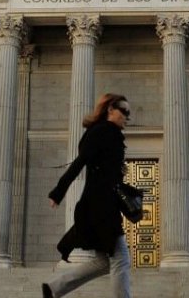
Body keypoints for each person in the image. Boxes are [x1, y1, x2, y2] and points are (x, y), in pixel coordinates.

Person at [43, 93, 132, 298]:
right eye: (124, 111)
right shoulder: (104, 131)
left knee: (103, 262)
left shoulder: (106, 133)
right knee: (121, 259)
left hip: (99, 204)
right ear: (110, 109)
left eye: (129, 113)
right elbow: (80, 162)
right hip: (100, 206)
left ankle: (54, 288)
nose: (127, 116)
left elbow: (100, 167)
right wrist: (58, 192)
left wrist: (118, 171)